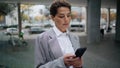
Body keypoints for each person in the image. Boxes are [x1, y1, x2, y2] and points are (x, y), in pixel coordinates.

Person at [35, 0, 82, 68]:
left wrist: (79, 65)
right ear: (53, 17)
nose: (66, 20)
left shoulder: (75, 37)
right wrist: (61, 62)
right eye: (61, 16)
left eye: (68, 15)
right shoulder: (42, 39)